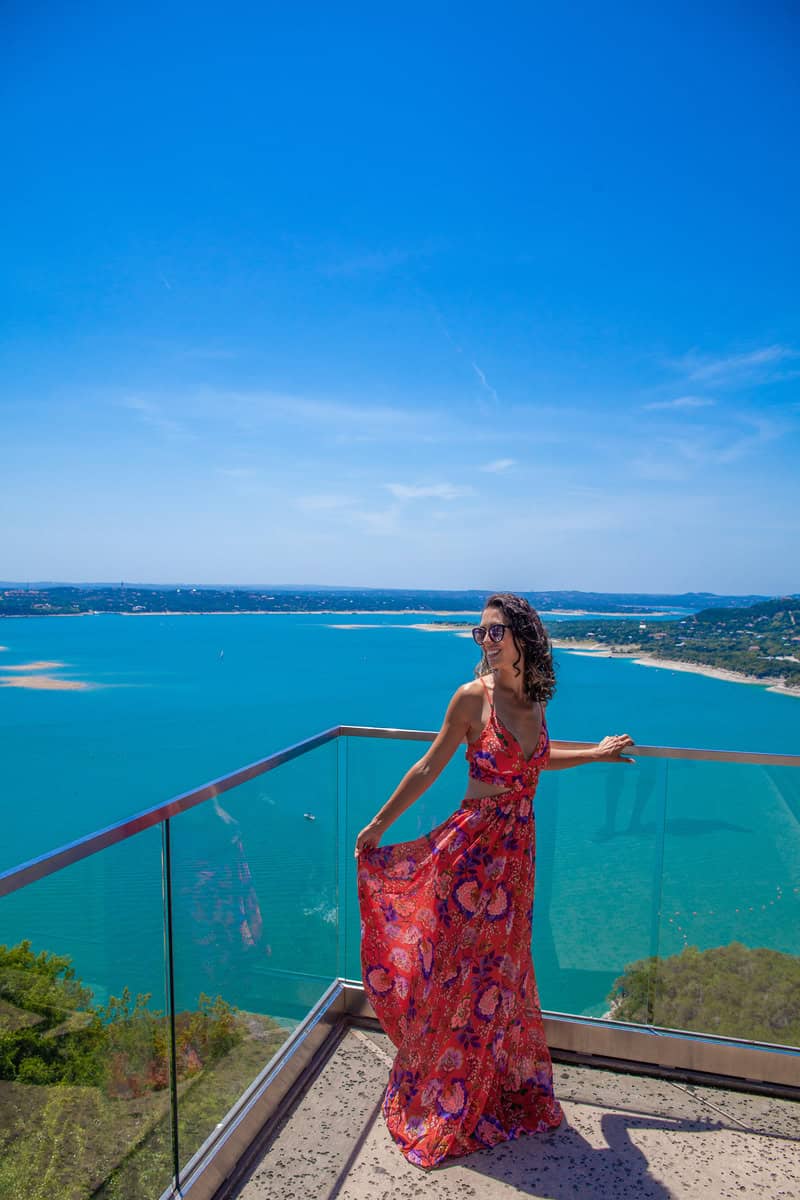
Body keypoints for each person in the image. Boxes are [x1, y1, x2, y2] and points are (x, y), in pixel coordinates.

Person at [355, 592, 634, 1169]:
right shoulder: (470, 698)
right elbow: (429, 765)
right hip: (471, 857)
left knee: (501, 975)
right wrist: (379, 824)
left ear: (523, 635)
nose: (486, 640)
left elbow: (538, 760)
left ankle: (484, 1086)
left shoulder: (534, 698)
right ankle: (446, 1094)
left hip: (517, 859)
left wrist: (596, 755)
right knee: (458, 972)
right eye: (479, 633)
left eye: (495, 631)